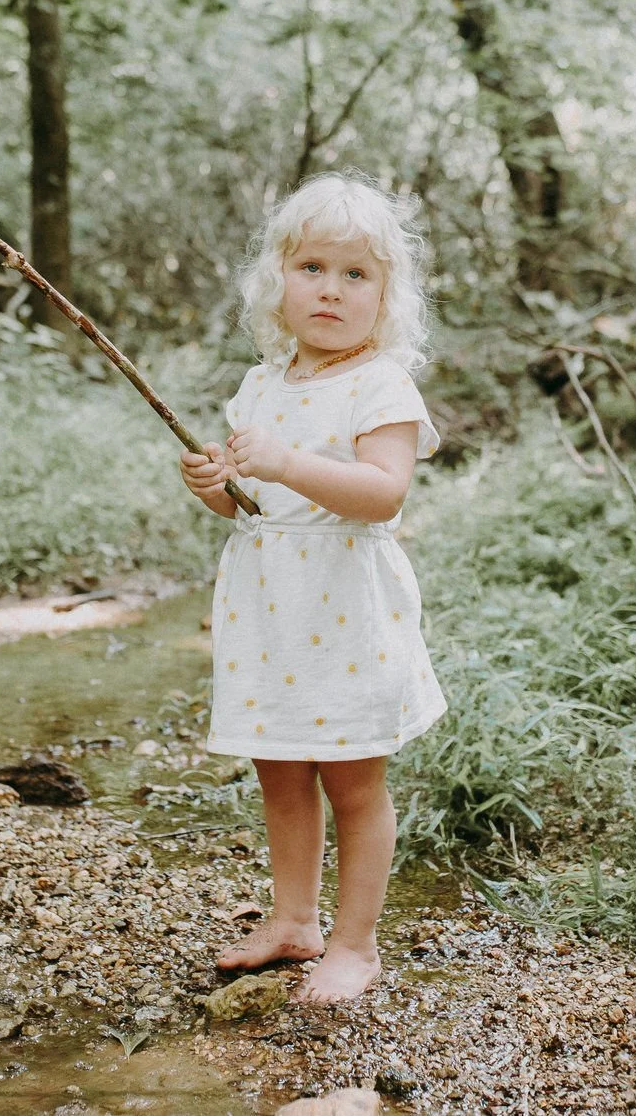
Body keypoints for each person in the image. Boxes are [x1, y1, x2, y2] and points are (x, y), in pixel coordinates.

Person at [178, 172, 444, 1005]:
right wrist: (215, 485)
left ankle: (356, 945)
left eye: (355, 275)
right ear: (278, 283)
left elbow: (383, 493)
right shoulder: (262, 384)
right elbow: (251, 505)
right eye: (312, 269)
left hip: (345, 610)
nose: (330, 289)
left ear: (387, 297)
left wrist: (288, 461)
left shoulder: (381, 386)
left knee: (353, 781)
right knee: (280, 769)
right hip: (271, 611)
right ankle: (295, 918)